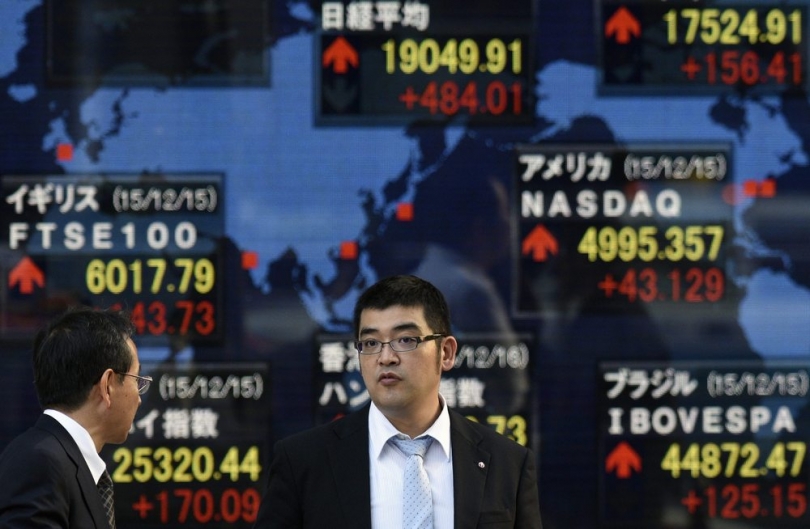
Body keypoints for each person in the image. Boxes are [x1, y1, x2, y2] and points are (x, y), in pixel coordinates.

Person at [254, 275, 542, 528]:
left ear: (446, 352)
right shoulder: (303, 462)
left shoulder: (508, 464)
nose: (386, 357)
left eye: (405, 340)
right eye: (370, 343)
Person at [0, 306, 151, 528]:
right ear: (107, 385)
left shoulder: (57, 457)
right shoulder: (41, 462)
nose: (138, 398)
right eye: (136, 379)